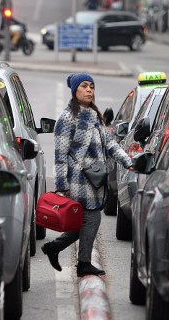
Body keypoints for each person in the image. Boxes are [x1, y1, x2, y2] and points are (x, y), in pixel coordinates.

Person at [41, 74, 133, 277]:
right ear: (75, 91)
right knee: (91, 219)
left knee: (84, 221)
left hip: (95, 179)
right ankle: (82, 263)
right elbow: (60, 155)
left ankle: (55, 248)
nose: (89, 90)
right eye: (84, 86)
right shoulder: (67, 118)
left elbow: (109, 144)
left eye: (92, 86)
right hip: (78, 180)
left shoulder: (94, 115)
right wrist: (61, 184)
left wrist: (128, 161)